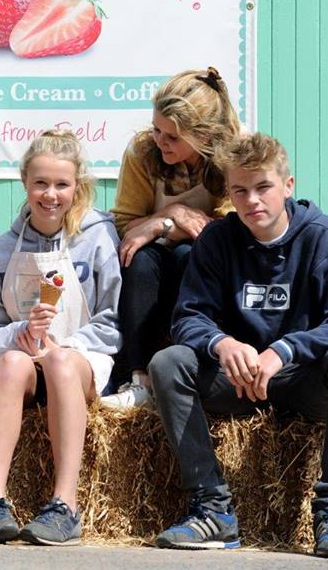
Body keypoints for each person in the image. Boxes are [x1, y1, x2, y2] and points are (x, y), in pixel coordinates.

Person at [149, 133, 328, 559]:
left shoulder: (325, 238)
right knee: (169, 362)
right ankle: (213, 509)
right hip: (236, 382)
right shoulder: (218, 240)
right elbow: (188, 317)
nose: (252, 200)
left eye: (263, 187)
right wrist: (222, 343)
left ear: (288, 186)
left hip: (301, 380)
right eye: (240, 190)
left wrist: (286, 349)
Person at [0, 130, 122, 546]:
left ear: (78, 187)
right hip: (25, 358)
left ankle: (64, 505)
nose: (50, 194)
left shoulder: (98, 240)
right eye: (40, 183)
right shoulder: (0, 251)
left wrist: (65, 346)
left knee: (57, 362)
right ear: (25, 183)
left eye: (61, 184)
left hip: (79, 358)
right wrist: (21, 332)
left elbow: (111, 321)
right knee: (12, 364)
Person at [104, 67, 240, 408]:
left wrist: (164, 225)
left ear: (206, 136)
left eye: (173, 137)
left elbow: (231, 228)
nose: (160, 141)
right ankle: (137, 379)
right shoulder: (142, 150)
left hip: (208, 263)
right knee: (140, 259)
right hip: (153, 259)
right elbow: (125, 224)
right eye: (156, 129)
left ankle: (192, 369)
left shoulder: (234, 156)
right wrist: (170, 217)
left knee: (186, 255)